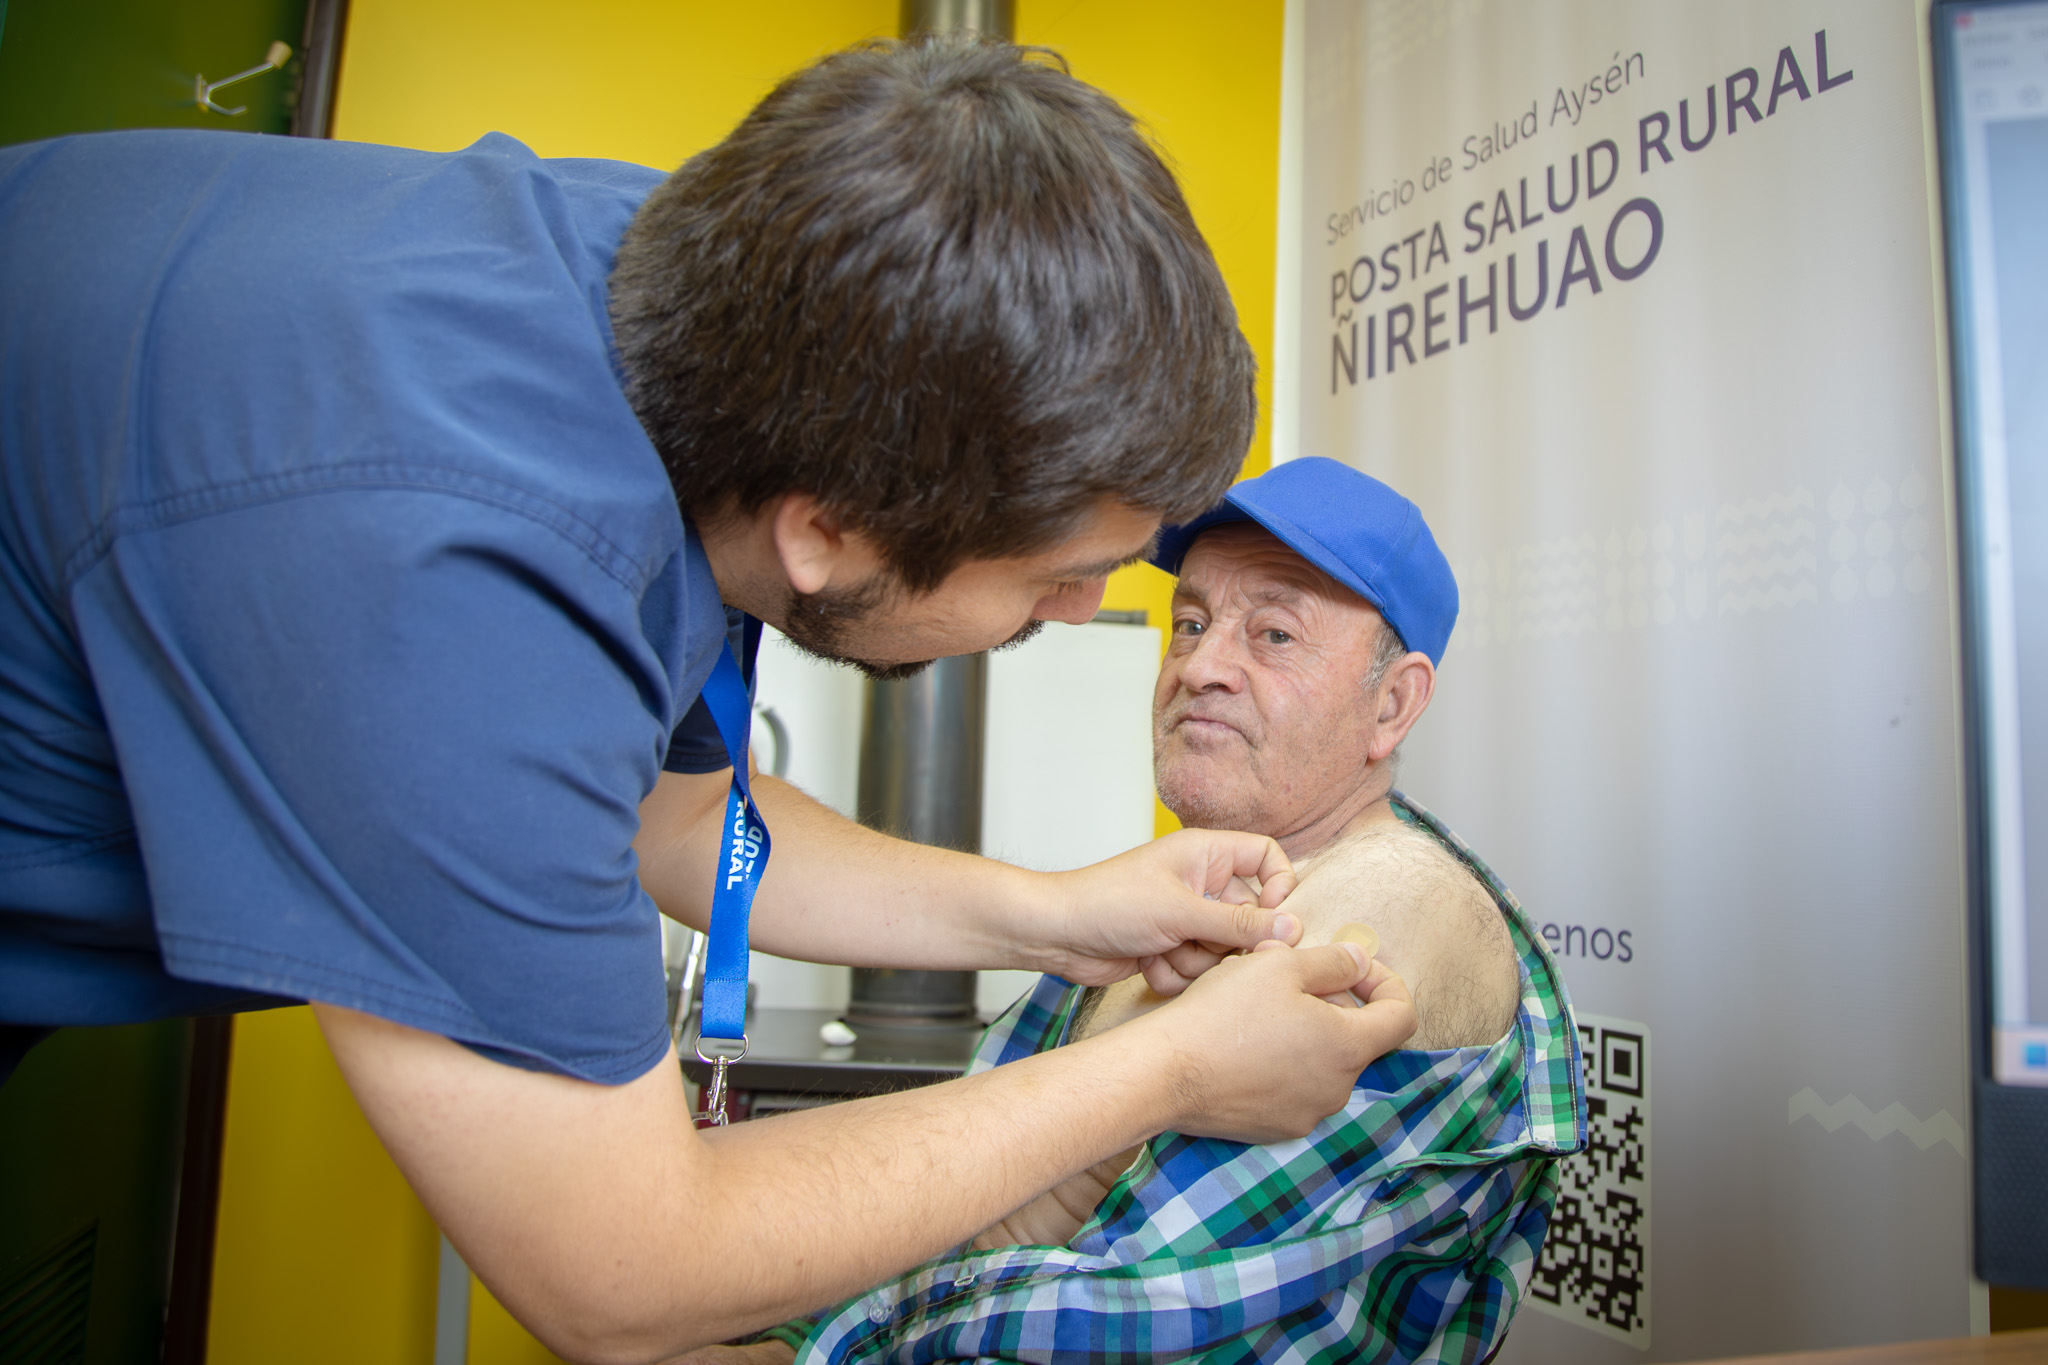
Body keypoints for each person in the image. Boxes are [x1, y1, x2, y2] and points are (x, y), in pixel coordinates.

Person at [0, 39, 1419, 1359]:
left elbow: (675, 819)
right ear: (830, 534)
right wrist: (1172, 1072)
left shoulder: (727, 306)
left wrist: (1059, 912)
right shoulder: (443, 575)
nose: (1079, 616)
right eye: (1056, 575)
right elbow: (615, 1276)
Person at [722, 458, 1585, 1364]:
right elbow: (970, 1220)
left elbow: (1091, 1326)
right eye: (1192, 622)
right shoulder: (1162, 908)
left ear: (1394, 703)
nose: (1202, 665)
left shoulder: (1396, 907)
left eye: (1276, 635)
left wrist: (798, 1351)